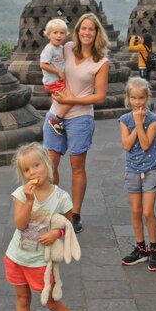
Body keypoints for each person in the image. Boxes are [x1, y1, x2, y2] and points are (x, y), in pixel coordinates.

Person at [43, 12, 109, 234]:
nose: (87, 32)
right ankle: (57, 207)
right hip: (55, 113)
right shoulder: (67, 48)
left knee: (77, 167)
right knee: (50, 165)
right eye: (83, 28)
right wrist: (51, 84)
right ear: (78, 31)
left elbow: (99, 97)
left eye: (91, 29)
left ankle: (75, 213)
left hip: (80, 117)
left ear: (97, 32)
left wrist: (71, 99)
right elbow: (47, 60)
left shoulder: (100, 62)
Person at [4, 143, 73, 311]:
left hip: (40, 262)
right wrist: (29, 201)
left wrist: (57, 233)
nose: (32, 172)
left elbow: (68, 224)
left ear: (48, 164)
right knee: (22, 299)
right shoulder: (21, 193)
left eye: (36, 165)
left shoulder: (61, 198)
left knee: (51, 302)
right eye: (27, 170)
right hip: (16, 257)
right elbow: (20, 224)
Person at [118, 77, 156, 271]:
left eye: (141, 98)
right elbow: (127, 145)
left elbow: (145, 145)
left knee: (147, 212)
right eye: (134, 98)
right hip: (132, 169)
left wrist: (139, 123)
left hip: (151, 169)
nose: (138, 102)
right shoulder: (124, 120)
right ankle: (140, 247)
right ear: (128, 98)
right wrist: (136, 122)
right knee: (135, 211)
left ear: (147, 98)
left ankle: (154, 249)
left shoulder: (154, 120)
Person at [39, 19, 72, 136]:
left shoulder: (60, 48)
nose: (59, 35)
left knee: (57, 101)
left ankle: (54, 116)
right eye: (55, 32)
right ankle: (56, 119)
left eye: (62, 33)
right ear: (48, 35)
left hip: (57, 81)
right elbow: (43, 64)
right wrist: (58, 72)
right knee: (71, 98)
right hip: (53, 82)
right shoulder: (49, 49)